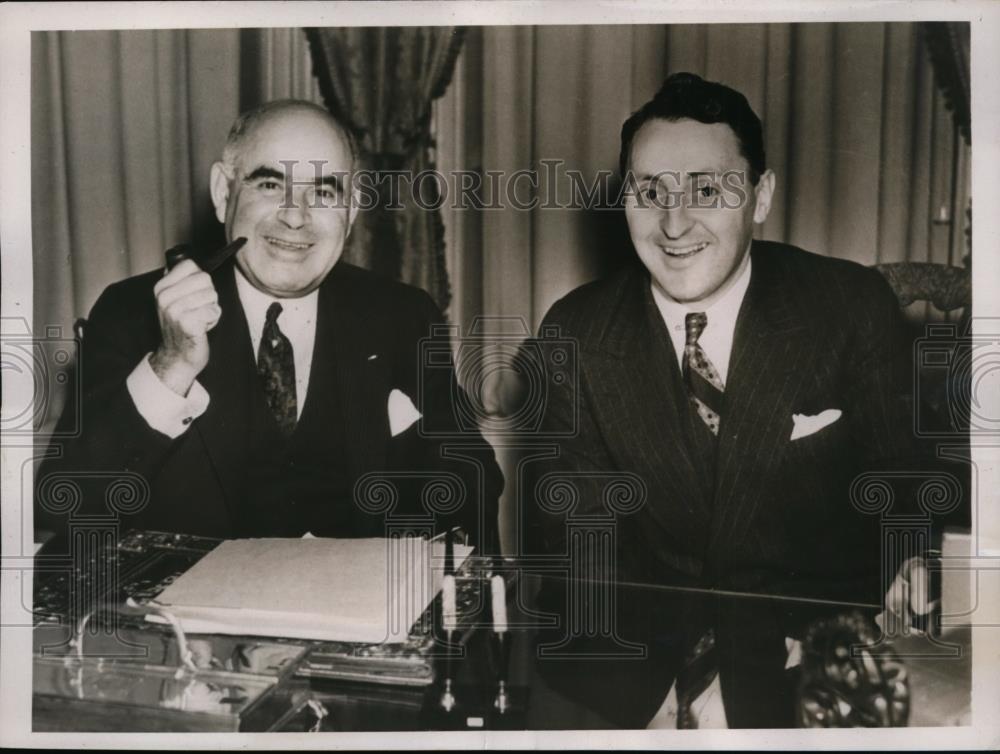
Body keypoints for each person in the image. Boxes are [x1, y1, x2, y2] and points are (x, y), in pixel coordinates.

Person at [526, 73, 951, 728]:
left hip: (808, 656)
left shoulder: (847, 307)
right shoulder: (574, 332)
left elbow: (907, 490)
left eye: (707, 190)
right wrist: (661, 706)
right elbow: (579, 549)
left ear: (760, 197)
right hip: (637, 669)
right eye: (650, 191)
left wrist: (896, 580)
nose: (674, 224)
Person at [36, 100, 502, 548]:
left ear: (352, 211)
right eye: (270, 184)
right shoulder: (134, 311)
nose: (295, 216)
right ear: (224, 193)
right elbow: (67, 505)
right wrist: (172, 365)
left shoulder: (402, 315)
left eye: (324, 192)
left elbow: (473, 484)